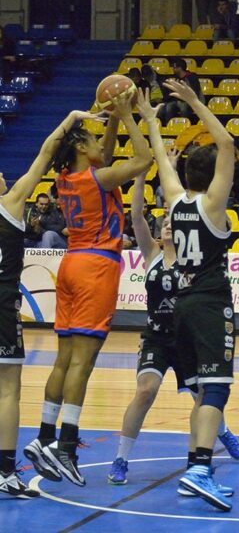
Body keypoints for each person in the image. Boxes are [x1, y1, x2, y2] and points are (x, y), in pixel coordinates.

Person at [23, 90, 152, 487]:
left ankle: (44, 437)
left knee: (63, 360)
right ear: (80, 146)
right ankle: (64, 445)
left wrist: (110, 118)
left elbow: (106, 156)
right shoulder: (99, 176)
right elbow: (144, 159)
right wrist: (130, 114)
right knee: (84, 361)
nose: (100, 143)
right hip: (97, 266)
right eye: (93, 139)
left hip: (71, 264)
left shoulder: (68, 177)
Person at [107, 173, 239, 488]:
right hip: (157, 337)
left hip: (188, 335)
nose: (168, 225)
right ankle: (121, 459)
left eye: (172, 222)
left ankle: (210, 445)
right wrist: (141, 176)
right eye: (164, 223)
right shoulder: (151, 255)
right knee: (145, 391)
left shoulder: (193, 256)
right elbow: (137, 214)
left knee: (204, 397)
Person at [146, 78, 237, 511]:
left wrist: (148, 118)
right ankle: (200, 469)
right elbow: (227, 143)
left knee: (203, 392)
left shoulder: (174, 201)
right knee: (217, 389)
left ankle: (196, 467)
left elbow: (163, 157)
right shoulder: (213, 205)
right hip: (208, 302)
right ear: (213, 175)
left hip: (180, 305)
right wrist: (197, 104)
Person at [0, 109, 97, 499]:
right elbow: (45, 153)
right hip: (3, 310)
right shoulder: (10, 204)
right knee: (8, 390)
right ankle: (5, 471)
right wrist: (69, 120)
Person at [158, 58, 203, 125]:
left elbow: (194, 93)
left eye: (174, 67)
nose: (173, 69)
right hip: (178, 100)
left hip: (190, 101)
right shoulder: (177, 79)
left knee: (183, 107)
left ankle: (185, 125)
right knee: (168, 107)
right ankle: (168, 126)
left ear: (180, 68)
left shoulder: (191, 78)